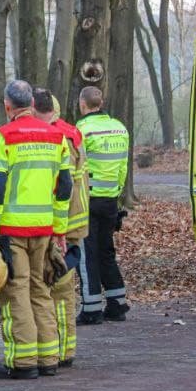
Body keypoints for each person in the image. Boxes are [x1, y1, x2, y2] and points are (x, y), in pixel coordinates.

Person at [0, 79, 71, 379]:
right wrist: (59, 228)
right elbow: (64, 187)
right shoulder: (57, 136)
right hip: (43, 227)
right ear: (32, 103)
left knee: (17, 291)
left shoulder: (3, 137)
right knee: (41, 289)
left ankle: (23, 361)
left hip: (12, 229)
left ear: (7, 106)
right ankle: (49, 359)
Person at [35, 91, 88, 368]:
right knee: (61, 288)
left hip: (62, 225)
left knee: (58, 289)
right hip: (71, 222)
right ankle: (62, 348)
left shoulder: (58, 138)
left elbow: (60, 187)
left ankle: (61, 350)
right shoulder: (70, 132)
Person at [75, 86, 131, 323]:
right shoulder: (119, 128)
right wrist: (116, 194)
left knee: (87, 254)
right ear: (101, 103)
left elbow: (77, 167)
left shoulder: (82, 130)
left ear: (82, 104)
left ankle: (91, 309)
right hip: (110, 199)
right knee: (106, 251)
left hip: (88, 200)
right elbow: (123, 167)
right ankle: (117, 303)